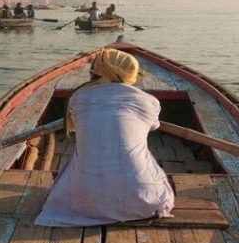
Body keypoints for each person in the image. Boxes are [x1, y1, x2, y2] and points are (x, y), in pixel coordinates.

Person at [35, 48, 174, 227]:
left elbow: (77, 127)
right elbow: (154, 126)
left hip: (84, 201)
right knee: (145, 159)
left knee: (77, 158)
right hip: (142, 200)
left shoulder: (78, 97)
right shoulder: (150, 101)